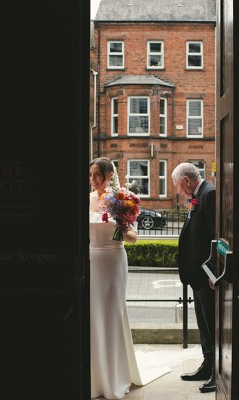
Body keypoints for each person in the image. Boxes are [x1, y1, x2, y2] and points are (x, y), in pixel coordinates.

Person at [88, 157, 169, 399]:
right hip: (92, 261)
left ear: (109, 175)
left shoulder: (122, 200)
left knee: (112, 316)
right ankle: (95, 378)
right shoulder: (86, 199)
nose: (92, 180)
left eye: (96, 175)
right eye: (90, 175)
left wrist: (123, 229)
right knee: (93, 317)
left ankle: (114, 376)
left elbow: (134, 237)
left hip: (113, 261)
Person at [171, 162, 217, 393]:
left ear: (186, 181)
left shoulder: (209, 195)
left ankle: (218, 372)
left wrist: (214, 272)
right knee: (203, 324)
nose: (177, 191)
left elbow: (217, 236)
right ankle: (208, 364)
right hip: (196, 276)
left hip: (206, 276)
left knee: (212, 324)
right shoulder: (198, 195)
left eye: (177, 186)